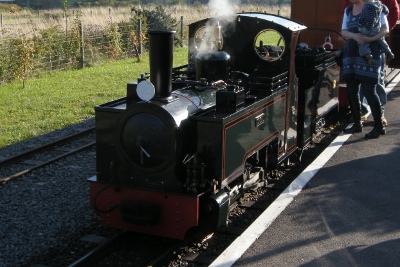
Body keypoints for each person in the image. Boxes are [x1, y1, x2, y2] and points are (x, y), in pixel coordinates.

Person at [342, 0, 399, 126]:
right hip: (352, 52)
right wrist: (354, 36)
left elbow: (389, 23)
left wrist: (372, 37)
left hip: (374, 48)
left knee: (374, 84)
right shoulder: (349, 9)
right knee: (354, 87)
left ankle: (379, 117)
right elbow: (344, 29)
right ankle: (360, 114)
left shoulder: (378, 6)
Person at [358, 0, 394, 66]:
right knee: (381, 40)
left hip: (368, 28)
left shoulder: (367, 6)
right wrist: (385, 12)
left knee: (362, 42)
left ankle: (368, 55)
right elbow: (386, 10)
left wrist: (364, 28)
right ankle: (388, 52)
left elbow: (367, 18)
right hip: (377, 29)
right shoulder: (379, 4)